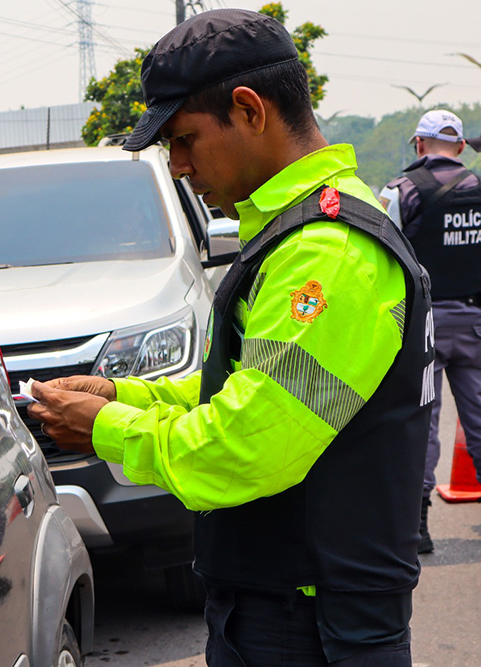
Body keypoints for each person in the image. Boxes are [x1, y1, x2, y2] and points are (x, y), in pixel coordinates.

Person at [28, 9, 434, 666]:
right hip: (287, 607)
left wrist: (109, 427)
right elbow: (256, 388)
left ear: (249, 110)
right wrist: (120, 391)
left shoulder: (327, 257)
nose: (181, 165)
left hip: (313, 625)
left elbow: (251, 444)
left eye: (186, 138)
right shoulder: (299, 236)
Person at [378, 109, 481, 553]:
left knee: (424, 420)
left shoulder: (400, 191)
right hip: (476, 323)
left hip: (424, 327)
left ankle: (418, 526)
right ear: (459, 147)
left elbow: (384, 259)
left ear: (419, 145)